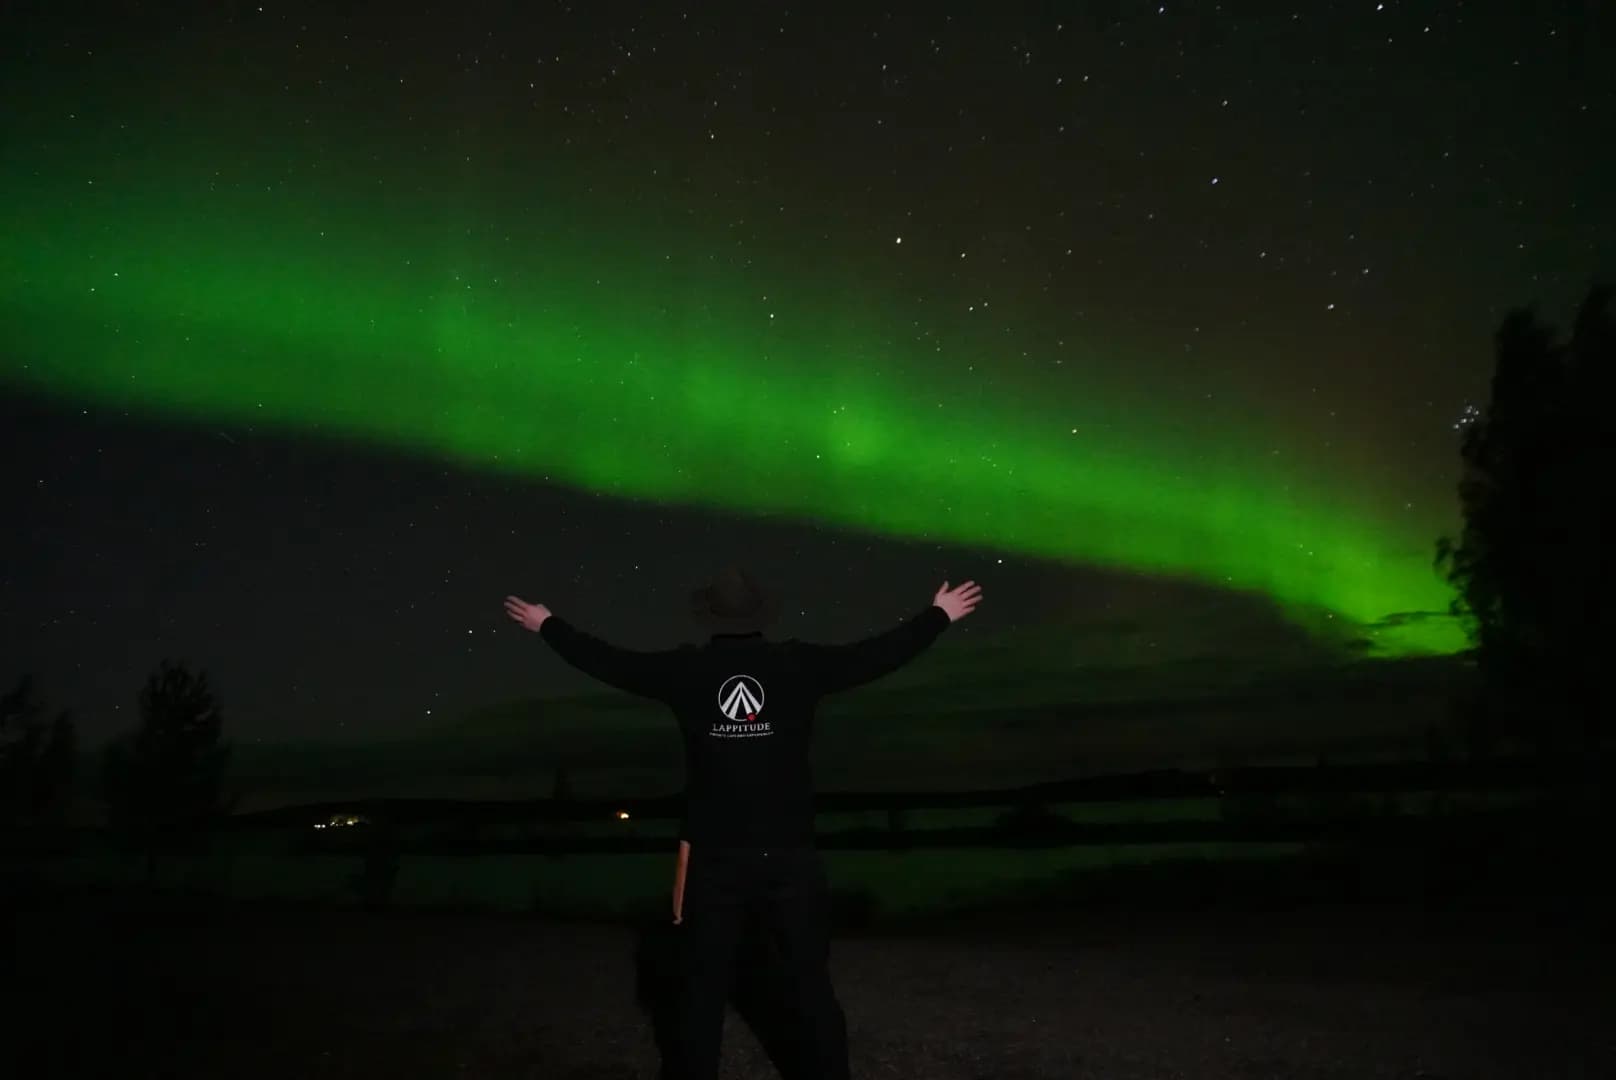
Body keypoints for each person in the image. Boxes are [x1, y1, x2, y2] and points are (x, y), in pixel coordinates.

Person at [504, 566, 983, 1080]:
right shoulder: (799, 664)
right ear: (762, 616)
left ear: (709, 618)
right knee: (809, 984)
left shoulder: (685, 672)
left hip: (712, 857)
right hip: (791, 855)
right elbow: (875, 655)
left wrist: (548, 624)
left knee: (700, 990)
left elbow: (608, 661)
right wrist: (938, 616)